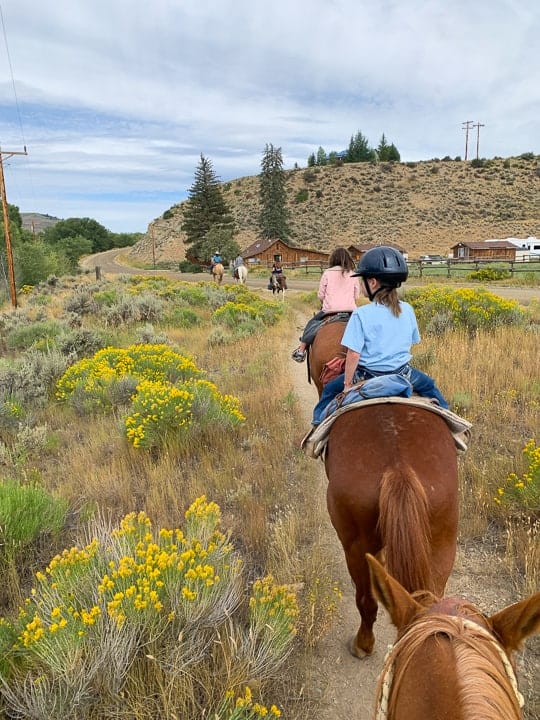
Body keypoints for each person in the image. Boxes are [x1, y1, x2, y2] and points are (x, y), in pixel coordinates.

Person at [312, 245, 449, 425]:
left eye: (362, 281)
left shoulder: (362, 314)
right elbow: (412, 341)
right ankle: (451, 423)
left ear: (373, 283)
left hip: (366, 376)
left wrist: (347, 386)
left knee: (329, 390)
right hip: (404, 374)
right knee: (430, 385)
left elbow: (353, 354)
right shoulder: (407, 309)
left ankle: (317, 428)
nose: (360, 285)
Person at [291, 247, 359, 362]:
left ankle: (301, 351)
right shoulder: (353, 274)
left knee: (311, 324)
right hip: (351, 312)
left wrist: (324, 302)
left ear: (333, 259)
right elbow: (356, 296)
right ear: (348, 260)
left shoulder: (327, 273)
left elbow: (321, 295)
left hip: (330, 310)